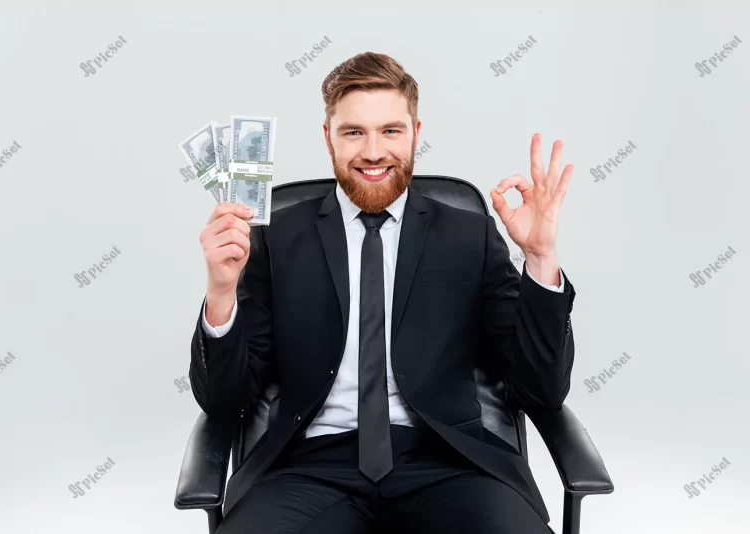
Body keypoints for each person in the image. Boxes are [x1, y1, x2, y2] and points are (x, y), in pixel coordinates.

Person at [189, 51, 575, 533]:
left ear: (415, 132)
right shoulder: (277, 238)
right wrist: (221, 290)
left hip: (450, 462)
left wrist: (540, 259)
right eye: (354, 132)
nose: (373, 152)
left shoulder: (468, 234)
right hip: (311, 466)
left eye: (391, 130)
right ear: (327, 137)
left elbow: (540, 389)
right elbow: (226, 401)